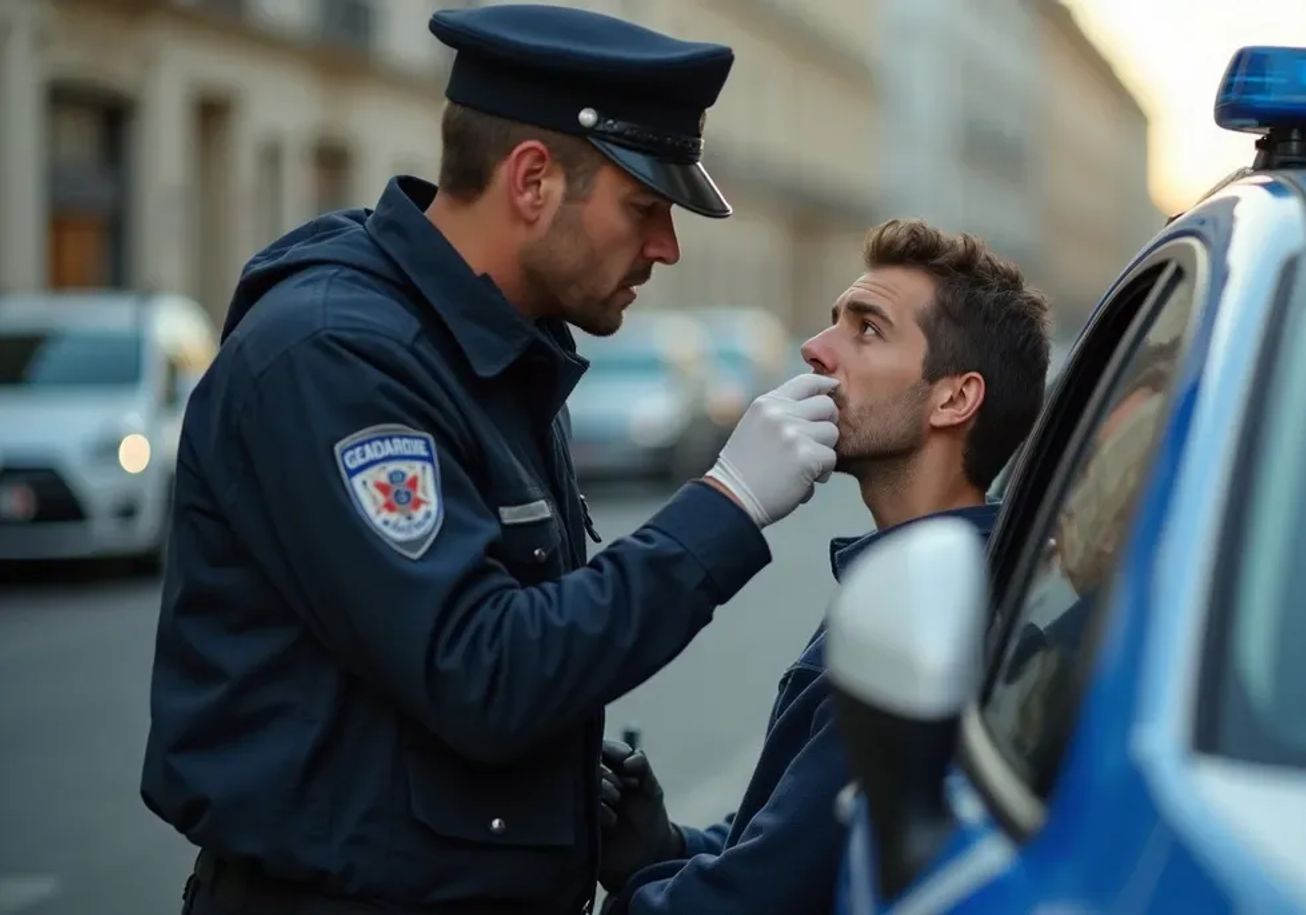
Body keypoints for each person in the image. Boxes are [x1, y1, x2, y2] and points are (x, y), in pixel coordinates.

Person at [140, 5, 841, 914]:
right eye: (644, 206)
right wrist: (728, 500)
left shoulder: (490, 348)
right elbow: (482, 670)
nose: (666, 246)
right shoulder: (337, 359)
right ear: (533, 181)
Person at [595, 218, 1053, 914]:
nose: (815, 348)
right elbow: (801, 841)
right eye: (834, 320)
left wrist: (635, 888)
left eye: (866, 329)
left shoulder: (926, 619)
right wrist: (664, 842)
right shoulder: (937, 578)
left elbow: (756, 901)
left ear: (954, 397)